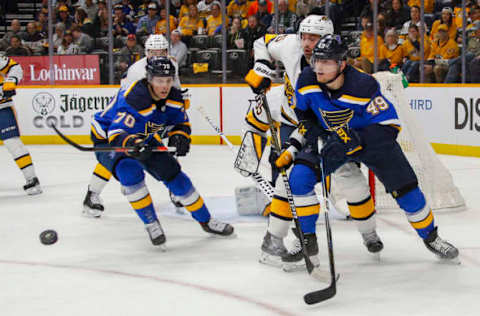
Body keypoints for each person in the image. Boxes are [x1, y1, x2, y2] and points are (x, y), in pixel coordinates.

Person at [276, 34, 458, 262]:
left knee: (406, 190)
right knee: (299, 177)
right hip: (333, 141)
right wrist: (315, 135)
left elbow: (390, 126)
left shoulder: (364, 85)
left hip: (372, 143)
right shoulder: (306, 79)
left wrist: (357, 139)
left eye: (327, 62)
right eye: (317, 61)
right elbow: (304, 114)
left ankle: (431, 237)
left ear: (342, 64)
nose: (319, 67)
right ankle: (307, 240)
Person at [244, 15, 383, 271]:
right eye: (304, 36)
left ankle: (368, 232)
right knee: (289, 181)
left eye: (314, 38)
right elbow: (262, 42)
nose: (307, 43)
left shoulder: (335, 59)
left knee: (350, 176)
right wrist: (262, 67)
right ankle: (276, 241)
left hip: (331, 126)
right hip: (294, 122)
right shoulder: (289, 45)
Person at [89, 56, 234, 245]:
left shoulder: (173, 96)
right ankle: (151, 223)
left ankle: (206, 221)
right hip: (106, 138)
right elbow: (116, 133)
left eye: (168, 80)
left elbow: (180, 121)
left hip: (146, 135)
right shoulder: (136, 97)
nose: (164, 86)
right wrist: (133, 143)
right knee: (130, 171)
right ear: (149, 79)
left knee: (174, 174)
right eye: (159, 81)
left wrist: (180, 135)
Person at [82, 34, 183, 217]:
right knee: (116, 155)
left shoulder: (171, 65)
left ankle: (176, 189)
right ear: (146, 52)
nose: (158, 55)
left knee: (167, 150)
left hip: (152, 115)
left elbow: (174, 91)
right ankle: (92, 195)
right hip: (130, 117)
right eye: (153, 52)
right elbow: (127, 102)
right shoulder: (137, 71)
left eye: (162, 51)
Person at [0, 56, 42, 195]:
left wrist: (10, 81)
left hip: (2, 108)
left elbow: (15, 67)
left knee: (13, 143)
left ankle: (31, 179)